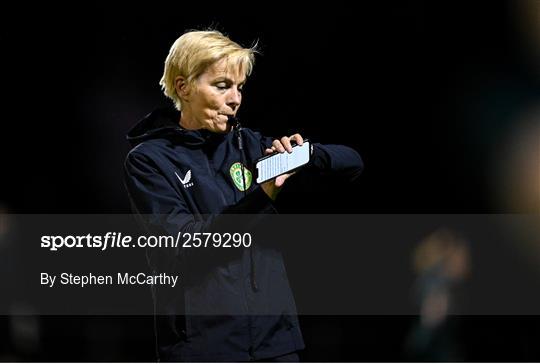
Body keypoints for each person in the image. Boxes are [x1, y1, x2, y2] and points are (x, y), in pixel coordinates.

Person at [124, 30, 363, 362]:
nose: (235, 99)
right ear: (184, 87)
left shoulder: (248, 146)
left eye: (240, 88)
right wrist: (262, 196)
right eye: (222, 86)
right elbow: (189, 249)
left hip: (276, 343)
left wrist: (303, 155)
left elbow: (352, 162)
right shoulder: (150, 160)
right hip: (204, 348)